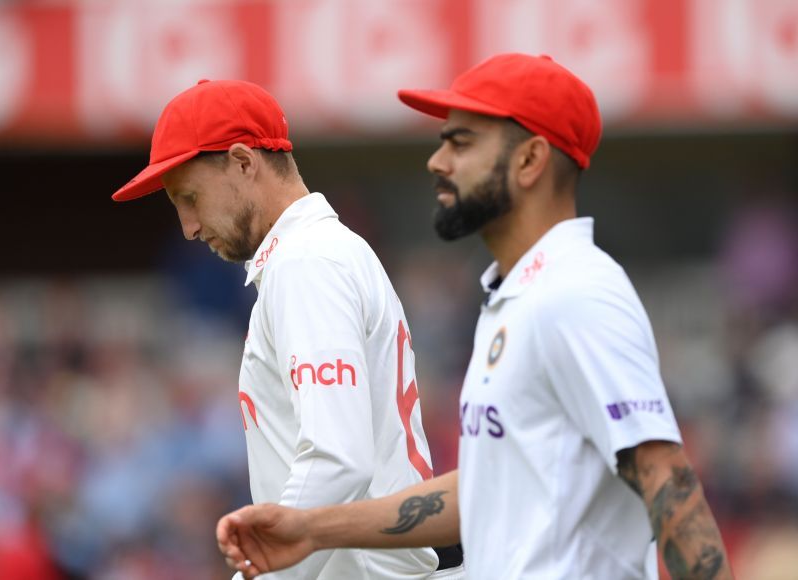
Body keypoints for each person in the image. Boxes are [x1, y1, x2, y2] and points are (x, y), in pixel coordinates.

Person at [215, 54, 735, 579]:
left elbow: (666, 478)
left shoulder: (577, 293)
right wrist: (313, 530)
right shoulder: (517, 297)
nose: (437, 161)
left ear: (530, 161)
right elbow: (488, 486)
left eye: (461, 143)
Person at [112, 79, 464, 579]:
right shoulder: (316, 255)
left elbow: (336, 458)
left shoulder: (307, 262)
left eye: (189, 197)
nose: (188, 226)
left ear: (242, 162)